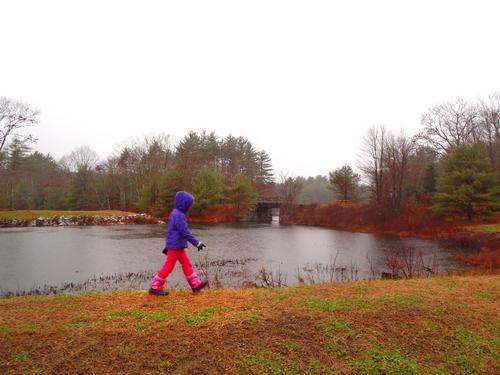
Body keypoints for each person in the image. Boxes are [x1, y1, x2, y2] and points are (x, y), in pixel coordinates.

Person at [149, 191, 209, 296]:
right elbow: (184, 232)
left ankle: (195, 284)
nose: (189, 207)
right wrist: (197, 243)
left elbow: (173, 232)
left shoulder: (176, 213)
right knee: (169, 266)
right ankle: (155, 286)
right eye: (188, 204)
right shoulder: (178, 215)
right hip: (175, 246)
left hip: (177, 245)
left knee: (186, 264)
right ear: (184, 204)